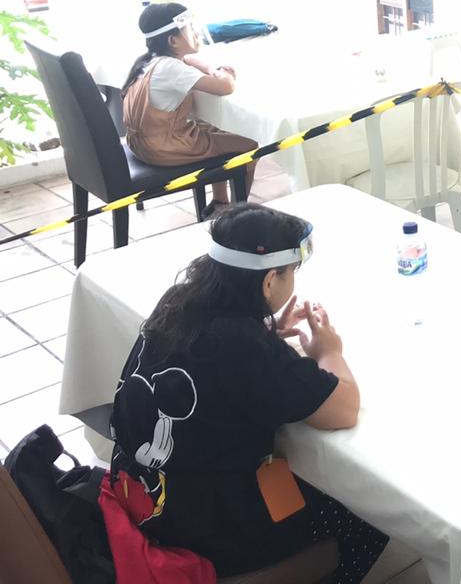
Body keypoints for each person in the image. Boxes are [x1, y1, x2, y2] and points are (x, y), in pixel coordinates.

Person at [108, 204, 387, 582]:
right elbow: (344, 409)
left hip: (140, 493)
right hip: (201, 525)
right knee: (367, 510)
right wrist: (329, 352)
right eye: (292, 272)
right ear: (270, 281)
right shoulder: (244, 345)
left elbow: (218, 360)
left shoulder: (176, 302)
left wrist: (265, 331)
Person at [122, 2, 257, 216]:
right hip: (164, 147)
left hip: (143, 143)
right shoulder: (171, 69)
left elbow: (189, 59)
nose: (196, 33)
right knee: (249, 145)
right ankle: (236, 213)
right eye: (190, 29)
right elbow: (225, 87)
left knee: (216, 128)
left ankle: (220, 202)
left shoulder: (150, 61)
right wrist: (224, 74)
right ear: (173, 40)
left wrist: (211, 69)